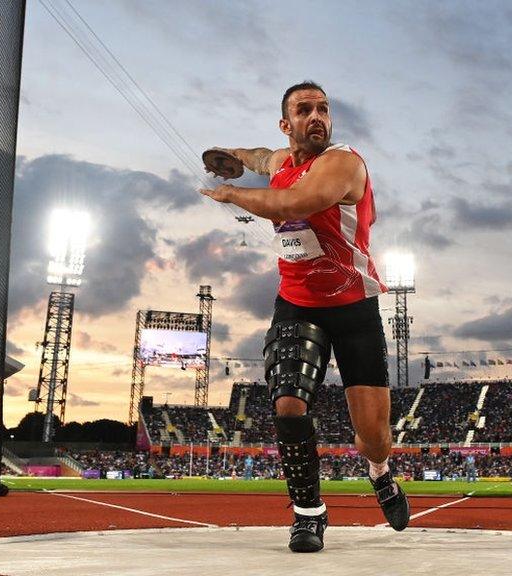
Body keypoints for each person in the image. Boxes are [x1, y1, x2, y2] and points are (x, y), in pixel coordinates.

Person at [200, 81, 409, 553]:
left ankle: (380, 474)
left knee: (373, 437)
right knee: (288, 404)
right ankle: (309, 514)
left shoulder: (343, 163)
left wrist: (233, 193)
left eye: (323, 109)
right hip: (297, 302)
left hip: (354, 306)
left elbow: (293, 204)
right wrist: (233, 154)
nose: (317, 116)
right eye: (304, 109)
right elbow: (263, 156)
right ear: (286, 123)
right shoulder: (281, 160)